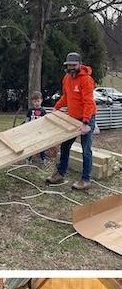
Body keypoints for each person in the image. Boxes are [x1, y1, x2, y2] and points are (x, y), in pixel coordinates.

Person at [46, 52, 97, 190]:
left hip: (86, 119)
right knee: (65, 146)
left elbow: (88, 102)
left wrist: (86, 123)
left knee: (86, 150)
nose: (72, 68)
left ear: (80, 64)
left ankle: (86, 180)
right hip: (72, 118)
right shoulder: (67, 78)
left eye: (74, 65)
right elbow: (66, 96)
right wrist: (56, 107)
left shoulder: (86, 80)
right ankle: (60, 173)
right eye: (69, 65)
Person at [25, 91, 49, 164]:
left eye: (38, 101)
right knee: (31, 144)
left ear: (41, 100)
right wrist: (26, 127)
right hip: (32, 131)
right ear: (32, 101)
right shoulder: (30, 110)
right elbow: (27, 120)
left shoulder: (43, 111)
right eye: (35, 101)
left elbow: (45, 121)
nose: (36, 103)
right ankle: (29, 158)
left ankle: (42, 158)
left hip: (40, 131)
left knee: (41, 145)